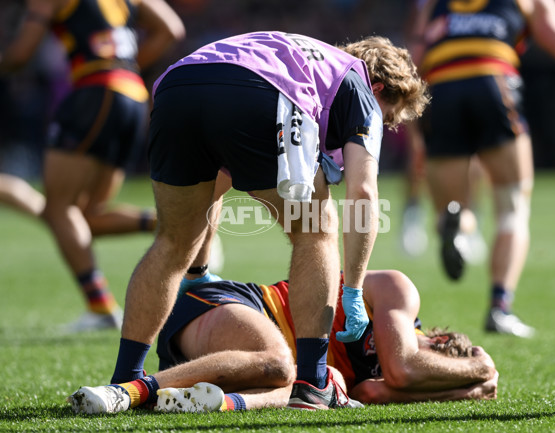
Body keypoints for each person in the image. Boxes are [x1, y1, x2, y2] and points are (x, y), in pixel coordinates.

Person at [87, 31, 429, 410]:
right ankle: (314, 383)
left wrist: (199, 271)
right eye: (389, 118)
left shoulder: (304, 60)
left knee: (170, 242)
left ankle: (126, 377)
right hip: (262, 91)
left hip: (177, 86)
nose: (387, 127)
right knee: (316, 230)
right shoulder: (359, 86)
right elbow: (363, 193)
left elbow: (217, 180)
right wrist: (353, 291)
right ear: (379, 88)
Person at [409, 0, 555, 337]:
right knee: (512, 208)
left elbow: (415, 59)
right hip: (493, 83)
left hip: (440, 90)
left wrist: (415, 127)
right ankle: (500, 307)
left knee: (449, 209)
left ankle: (456, 223)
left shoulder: (436, 3)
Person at [68, 268, 498, 414]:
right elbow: (405, 370)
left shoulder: (382, 373)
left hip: (241, 365)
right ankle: (128, 390)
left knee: (324, 384)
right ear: (436, 338)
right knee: (283, 364)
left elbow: (373, 390)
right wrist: (480, 371)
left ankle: (217, 401)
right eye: (433, 360)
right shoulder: (398, 293)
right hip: (229, 305)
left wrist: (461, 390)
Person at [0, 0, 185, 331]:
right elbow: (172, 29)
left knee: (58, 209)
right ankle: (184, 226)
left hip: (94, 92)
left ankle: (100, 309)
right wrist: (127, 66)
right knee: (86, 217)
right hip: (132, 93)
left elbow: (20, 54)